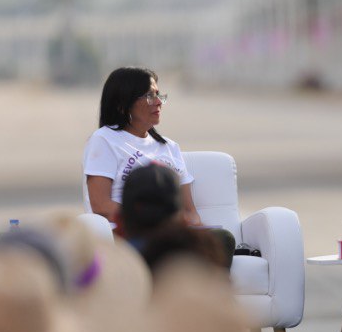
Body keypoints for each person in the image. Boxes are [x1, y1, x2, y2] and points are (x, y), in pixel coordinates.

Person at [83, 67, 234, 267]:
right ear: (122, 104)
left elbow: (190, 211)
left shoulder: (170, 147)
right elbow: (101, 205)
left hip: (170, 235)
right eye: (149, 96)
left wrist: (187, 227)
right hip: (128, 233)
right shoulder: (104, 139)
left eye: (158, 94)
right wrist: (153, 220)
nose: (158, 102)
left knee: (222, 239)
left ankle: (201, 286)